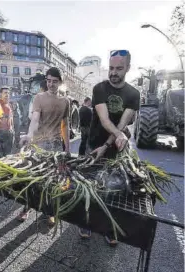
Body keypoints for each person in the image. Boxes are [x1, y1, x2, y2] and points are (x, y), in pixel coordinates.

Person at [79, 50, 140, 244]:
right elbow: (105, 121)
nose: (113, 72)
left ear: (128, 68)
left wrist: (111, 142)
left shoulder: (133, 94)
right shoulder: (99, 89)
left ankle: (107, 226)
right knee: (90, 183)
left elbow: (122, 124)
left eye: (119, 69)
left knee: (114, 188)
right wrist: (116, 136)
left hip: (115, 147)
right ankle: (86, 222)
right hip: (94, 142)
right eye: (111, 68)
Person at [18, 67, 70, 224]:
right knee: (33, 178)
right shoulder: (39, 98)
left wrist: (67, 148)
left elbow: (65, 125)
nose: (51, 85)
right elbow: (34, 119)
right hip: (39, 144)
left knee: (53, 180)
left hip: (55, 146)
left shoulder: (66, 101)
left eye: (54, 82)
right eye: (48, 81)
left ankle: (49, 211)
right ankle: (27, 207)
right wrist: (29, 135)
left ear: (60, 82)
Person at [0, 86, 14, 156]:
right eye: (5, 93)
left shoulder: (8, 105)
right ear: (0, 94)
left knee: (8, 155)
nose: (7, 95)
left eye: (8, 93)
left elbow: (11, 118)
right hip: (0, 133)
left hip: (9, 133)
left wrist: (12, 129)